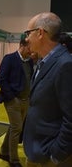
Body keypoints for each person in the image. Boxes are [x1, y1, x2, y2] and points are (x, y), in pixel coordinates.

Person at [23, 12, 72, 167]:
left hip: (49, 155)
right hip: (36, 149)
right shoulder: (43, 61)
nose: (26, 39)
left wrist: (55, 156)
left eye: (28, 33)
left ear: (40, 33)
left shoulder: (65, 65)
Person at [0, 38, 33, 167]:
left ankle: (4, 151)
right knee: (17, 128)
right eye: (29, 48)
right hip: (13, 100)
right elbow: (1, 79)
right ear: (22, 46)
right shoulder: (9, 58)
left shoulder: (29, 62)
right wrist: (11, 97)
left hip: (26, 100)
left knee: (15, 126)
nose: (31, 51)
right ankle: (14, 159)